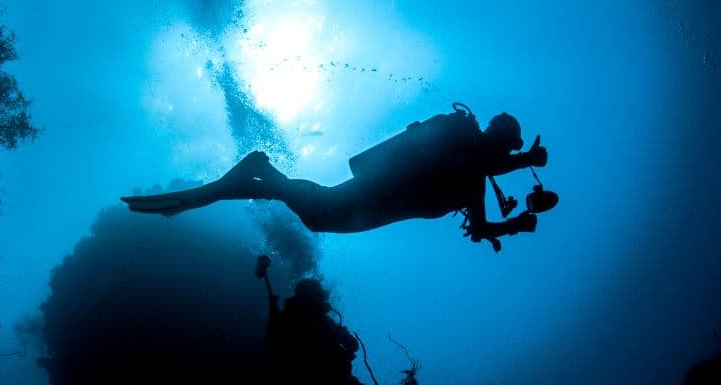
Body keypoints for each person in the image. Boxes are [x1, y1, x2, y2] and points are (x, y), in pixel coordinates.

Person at [122, 104, 554, 251]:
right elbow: (487, 168)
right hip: (382, 191)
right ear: (498, 138)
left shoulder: (470, 175)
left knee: (318, 214)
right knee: (321, 210)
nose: (509, 153)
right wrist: (522, 167)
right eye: (509, 146)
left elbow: (479, 227)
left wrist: (514, 224)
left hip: (380, 200)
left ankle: (252, 181)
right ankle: (261, 171)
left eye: (513, 150)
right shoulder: (468, 159)